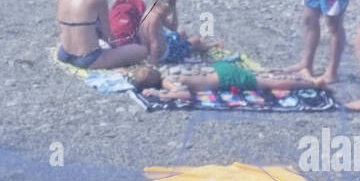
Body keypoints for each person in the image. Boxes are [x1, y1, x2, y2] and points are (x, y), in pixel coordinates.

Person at [55, 0, 148, 69]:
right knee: (142, 51)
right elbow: (107, 34)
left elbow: (61, 28)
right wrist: (118, 49)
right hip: (86, 59)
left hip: (63, 53)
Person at [131, 63, 325, 101]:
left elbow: (185, 94)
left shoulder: (167, 80)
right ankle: (302, 72)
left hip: (224, 78)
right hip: (219, 67)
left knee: (267, 83)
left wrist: (160, 94)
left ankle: (311, 82)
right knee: (263, 74)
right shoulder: (164, 67)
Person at [140, 0, 216, 64]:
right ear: (157, 4)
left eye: (170, 11)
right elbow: (154, 44)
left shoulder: (153, 10)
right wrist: (154, 64)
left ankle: (192, 45)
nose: (167, 14)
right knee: (195, 40)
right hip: (165, 54)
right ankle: (207, 46)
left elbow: (173, 27)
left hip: (163, 43)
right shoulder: (155, 19)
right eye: (165, 11)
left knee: (182, 32)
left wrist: (174, 10)